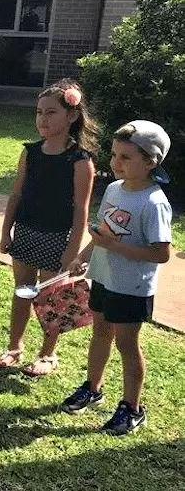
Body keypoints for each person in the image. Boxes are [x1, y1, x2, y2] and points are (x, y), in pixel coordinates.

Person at [61, 120, 172, 435]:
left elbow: (161, 254)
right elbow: (101, 234)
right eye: (113, 155)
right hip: (105, 278)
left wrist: (117, 247)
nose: (115, 162)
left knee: (126, 343)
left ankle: (132, 409)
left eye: (126, 157)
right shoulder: (112, 189)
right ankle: (93, 388)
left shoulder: (154, 203)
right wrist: (82, 258)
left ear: (151, 162)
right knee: (100, 332)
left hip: (133, 287)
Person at [0, 80, 97, 376]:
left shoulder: (80, 161)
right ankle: (14, 346)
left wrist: (72, 252)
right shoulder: (30, 152)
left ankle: (48, 355)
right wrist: (6, 231)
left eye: (51, 113)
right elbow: (16, 194)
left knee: (52, 299)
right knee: (22, 291)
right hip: (26, 231)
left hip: (57, 238)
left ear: (72, 116)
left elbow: (81, 210)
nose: (42, 119)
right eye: (39, 112)